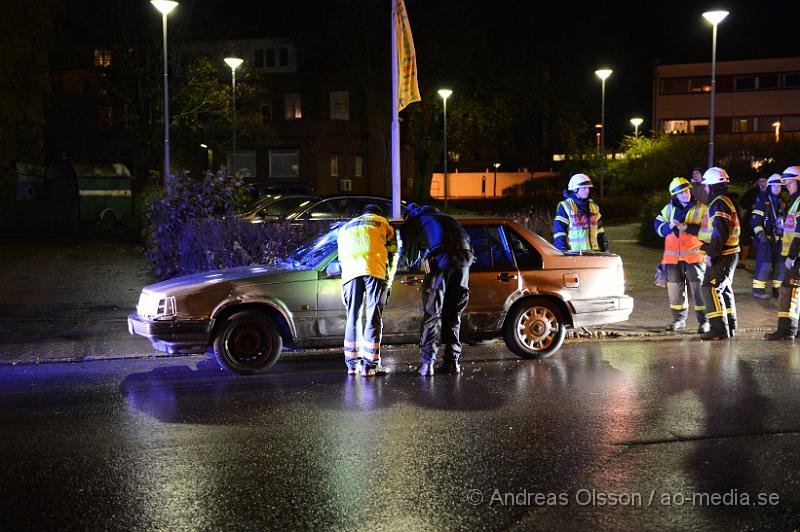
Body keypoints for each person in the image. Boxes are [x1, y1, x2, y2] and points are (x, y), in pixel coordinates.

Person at [401, 203, 473, 375]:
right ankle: (452, 362)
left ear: (408, 216)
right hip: (465, 261)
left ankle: (427, 364)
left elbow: (409, 259)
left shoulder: (414, 222)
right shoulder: (447, 218)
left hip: (441, 262)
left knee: (433, 314)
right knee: (454, 314)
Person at [336, 204, 397, 376]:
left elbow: (340, 255)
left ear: (363, 214)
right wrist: (388, 279)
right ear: (378, 213)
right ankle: (370, 366)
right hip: (373, 270)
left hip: (350, 273)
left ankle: (352, 366)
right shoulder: (382, 222)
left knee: (353, 317)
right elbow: (393, 251)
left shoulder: (346, 227)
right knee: (372, 316)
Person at [653, 177, 709, 333]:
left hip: (695, 257)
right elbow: (657, 226)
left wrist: (688, 227)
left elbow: (708, 232)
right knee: (675, 290)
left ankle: (704, 321)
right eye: (681, 193)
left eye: (686, 191)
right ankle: (678, 320)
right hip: (672, 258)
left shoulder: (702, 209)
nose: (685, 194)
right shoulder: (669, 209)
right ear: (674, 196)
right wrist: (669, 226)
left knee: (698, 291)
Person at [698, 167, 740, 340]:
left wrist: (711, 253)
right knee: (724, 289)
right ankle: (730, 325)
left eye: (706, 186)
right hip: (730, 252)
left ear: (711, 186)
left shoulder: (718, 202)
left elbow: (719, 232)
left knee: (710, 288)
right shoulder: (727, 200)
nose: (705, 189)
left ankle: (718, 329)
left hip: (722, 253)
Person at [765, 166, 800, 340]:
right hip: (794, 254)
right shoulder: (795, 201)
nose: (787, 186)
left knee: (788, 290)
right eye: (786, 183)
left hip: (796, 256)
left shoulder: (799, 201)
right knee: (795, 291)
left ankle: (786, 330)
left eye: (790, 183)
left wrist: (792, 255)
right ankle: (794, 329)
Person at [750, 173, 786, 299]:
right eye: (774, 186)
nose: (777, 188)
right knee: (764, 264)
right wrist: (761, 235)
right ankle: (758, 291)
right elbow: (755, 220)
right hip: (766, 238)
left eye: (779, 186)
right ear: (770, 186)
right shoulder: (763, 200)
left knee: (780, 265)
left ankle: (777, 290)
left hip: (779, 238)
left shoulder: (783, 202)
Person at [553, 173, 608, 252]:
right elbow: (559, 232)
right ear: (575, 189)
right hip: (575, 255)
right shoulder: (565, 206)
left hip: (593, 254)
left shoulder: (593, 207)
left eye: (588, 188)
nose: (587, 190)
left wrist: (604, 246)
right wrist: (563, 251)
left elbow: (600, 230)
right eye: (584, 188)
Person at [738, 173, 769, 269]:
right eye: (760, 181)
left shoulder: (772, 192)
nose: (762, 183)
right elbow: (742, 202)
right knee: (746, 240)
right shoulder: (752, 191)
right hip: (750, 219)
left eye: (764, 181)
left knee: (763, 242)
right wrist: (751, 206)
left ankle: (763, 264)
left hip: (765, 221)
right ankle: (743, 262)